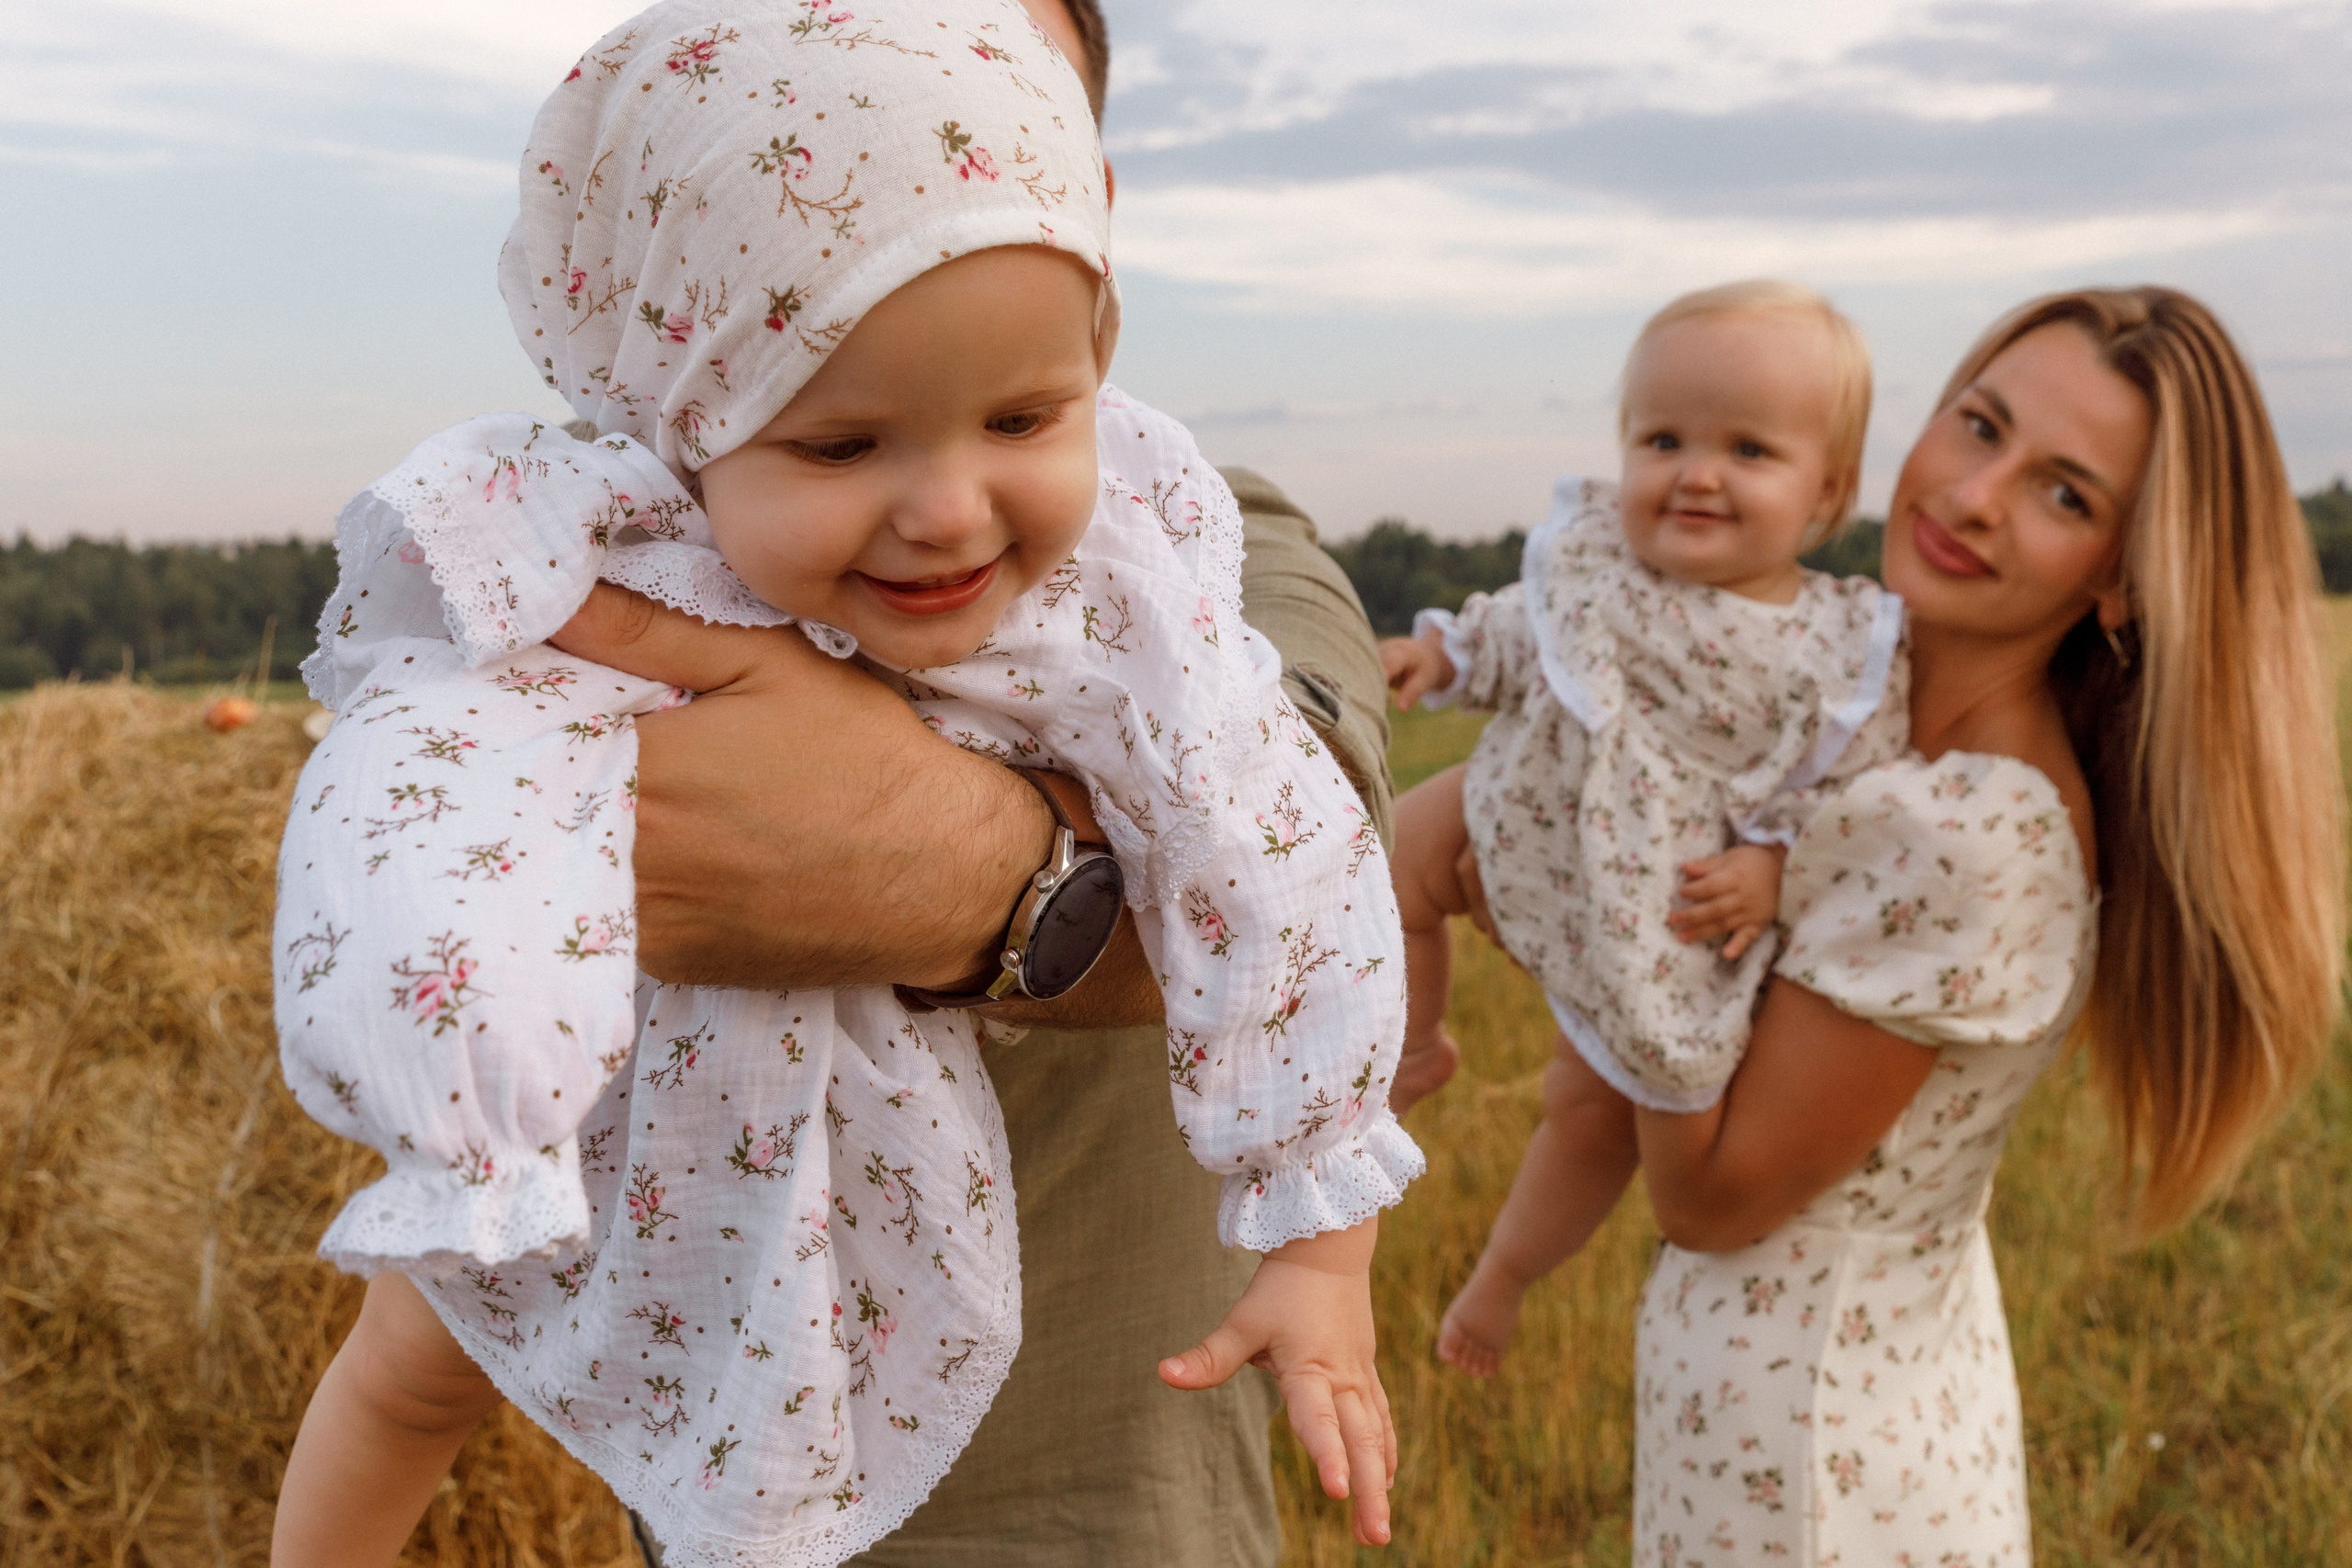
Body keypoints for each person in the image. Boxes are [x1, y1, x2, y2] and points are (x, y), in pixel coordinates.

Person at [267, 4, 1415, 1565]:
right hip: (635, 1151)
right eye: (838, 443)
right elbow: (410, 811)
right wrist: (475, 1105)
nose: (947, 510)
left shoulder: (1159, 562)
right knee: (417, 1359)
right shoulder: (602, 547)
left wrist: (1321, 1229)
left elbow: (1301, 863)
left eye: (1020, 418)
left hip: (1081, 1501)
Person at [1429, 285, 2343, 1563]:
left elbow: (1706, 1196)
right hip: (1808, 1408)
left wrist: (1599, 908)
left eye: (2062, 493)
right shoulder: (1856, 713)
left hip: (1812, 1465)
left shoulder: (1967, 830)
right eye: (1980, 425)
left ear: (2123, 576)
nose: (1973, 496)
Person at [1376, 283, 1907, 1376]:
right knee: (1389, 850)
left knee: (1591, 1108)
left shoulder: (1833, 646)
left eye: (1747, 449)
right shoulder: (1598, 569)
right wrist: (1440, 656)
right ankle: (1413, 1042)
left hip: (1658, 889)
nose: (1695, 473)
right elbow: (1517, 635)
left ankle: (1502, 1277)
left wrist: (1775, 864)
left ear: (1828, 490)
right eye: (1663, 440)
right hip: (1531, 798)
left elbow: (1847, 795)